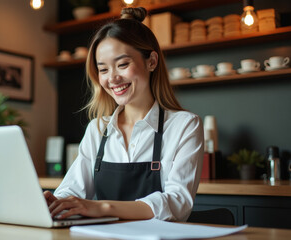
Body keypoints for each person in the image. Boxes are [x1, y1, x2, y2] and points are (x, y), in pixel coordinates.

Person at [44, 7, 204, 222]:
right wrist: (55, 203)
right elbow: (72, 191)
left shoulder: (184, 125)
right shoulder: (98, 129)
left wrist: (102, 207)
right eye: (103, 69)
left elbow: (177, 203)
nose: (112, 78)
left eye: (122, 64)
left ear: (152, 61)